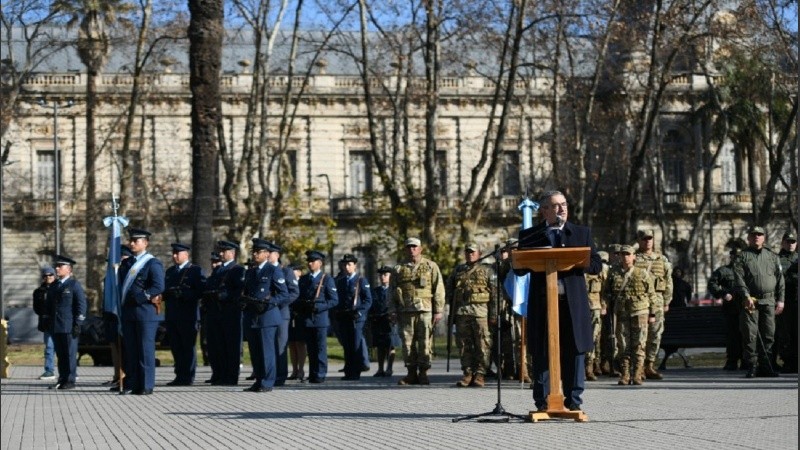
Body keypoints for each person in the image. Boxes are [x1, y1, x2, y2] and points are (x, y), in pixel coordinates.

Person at [516, 190, 602, 412]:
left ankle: (573, 402)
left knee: (574, 351)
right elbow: (519, 270)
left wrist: (576, 260)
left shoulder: (581, 233)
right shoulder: (531, 235)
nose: (562, 208)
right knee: (543, 351)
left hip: (572, 304)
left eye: (564, 204)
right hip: (543, 305)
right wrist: (513, 259)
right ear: (544, 211)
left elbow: (596, 265)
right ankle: (543, 402)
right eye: (555, 206)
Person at [390, 237, 446, 386]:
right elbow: (392, 291)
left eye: (415, 247)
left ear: (420, 249)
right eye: (409, 247)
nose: (412, 249)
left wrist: (438, 310)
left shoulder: (430, 266)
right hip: (405, 311)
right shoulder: (398, 269)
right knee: (407, 344)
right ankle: (411, 373)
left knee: (424, 342)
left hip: (425, 310)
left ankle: (423, 373)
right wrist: (392, 310)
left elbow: (438, 288)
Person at [733, 225, 785, 378]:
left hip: (769, 300)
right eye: (753, 234)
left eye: (760, 234)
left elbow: (780, 280)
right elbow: (739, 278)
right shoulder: (742, 256)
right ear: (748, 238)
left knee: (769, 334)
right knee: (750, 334)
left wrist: (781, 300)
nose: (757, 237)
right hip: (751, 302)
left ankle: (766, 365)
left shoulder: (772, 256)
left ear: (764, 238)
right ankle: (752, 366)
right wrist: (746, 295)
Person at [118, 228, 165, 395]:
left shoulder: (153, 263)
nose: (131, 243)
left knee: (145, 350)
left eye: (135, 241)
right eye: (131, 240)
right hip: (129, 313)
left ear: (145, 243)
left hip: (145, 313)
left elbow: (159, 286)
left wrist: (143, 296)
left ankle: (146, 385)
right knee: (132, 350)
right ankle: (133, 383)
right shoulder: (126, 263)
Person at [241, 239, 289, 392]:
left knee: (267, 352)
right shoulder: (250, 272)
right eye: (254, 251)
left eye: (258, 251)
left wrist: (269, 302)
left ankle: (268, 382)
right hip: (252, 316)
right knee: (255, 352)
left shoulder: (273, 270)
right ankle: (259, 380)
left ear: (267, 254)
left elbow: (284, 294)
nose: (254, 254)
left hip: (267, 316)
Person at [604, 245, 656, 385]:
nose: (625, 257)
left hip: (640, 311)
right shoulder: (613, 273)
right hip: (621, 313)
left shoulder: (642, 273)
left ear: (634, 256)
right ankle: (625, 374)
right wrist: (608, 304)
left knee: (639, 343)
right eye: (622, 254)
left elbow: (651, 294)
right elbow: (606, 292)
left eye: (628, 254)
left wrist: (652, 314)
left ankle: (638, 374)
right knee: (623, 344)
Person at [447, 243, 496, 388]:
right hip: (462, 313)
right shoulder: (458, 271)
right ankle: (468, 373)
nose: (470, 254)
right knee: (464, 345)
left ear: (479, 254)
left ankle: (480, 374)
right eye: (467, 252)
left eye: (473, 252)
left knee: (483, 344)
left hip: (481, 313)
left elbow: (495, 294)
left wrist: (493, 314)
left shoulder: (488, 271)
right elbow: (450, 291)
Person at [203, 240, 245, 385]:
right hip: (216, 312)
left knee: (231, 346)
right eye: (220, 251)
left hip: (230, 313)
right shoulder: (218, 270)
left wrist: (225, 295)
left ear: (232, 253)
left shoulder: (237, 270)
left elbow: (239, 291)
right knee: (217, 345)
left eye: (224, 251)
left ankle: (231, 376)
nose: (220, 254)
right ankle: (219, 374)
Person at [163, 243, 206, 386]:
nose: (175, 256)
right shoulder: (170, 272)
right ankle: (179, 375)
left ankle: (188, 376)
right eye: (173, 253)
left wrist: (184, 294)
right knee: (176, 347)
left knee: (187, 347)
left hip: (188, 315)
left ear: (186, 255)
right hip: (172, 315)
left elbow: (200, 291)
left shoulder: (194, 271)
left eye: (178, 253)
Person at [633, 228, 672, 381]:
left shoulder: (661, 260)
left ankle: (650, 364)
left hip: (657, 302)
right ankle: (639, 367)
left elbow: (668, 282)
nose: (647, 241)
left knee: (655, 335)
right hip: (640, 302)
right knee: (640, 335)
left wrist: (667, 301)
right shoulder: (635, 259)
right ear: (639, 241)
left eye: (650, 238)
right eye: (644, 239)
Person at [296, 250, 338, 383]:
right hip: (307, 318)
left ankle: (320, 373)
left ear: (319, 263)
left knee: (320, 348)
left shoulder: (327, 279)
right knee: (311, 349)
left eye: (312, 261)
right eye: (308, 261)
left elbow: (334, 300)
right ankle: (313, 373)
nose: (309, 263)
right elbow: (299, 297)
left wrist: (319, 307)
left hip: (320, 319)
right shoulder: (304, 279)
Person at [46, 255, 87, 390]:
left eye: (60, 266)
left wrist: (78, 323)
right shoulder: (54, 286)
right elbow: (49, 306)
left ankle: (70, 379)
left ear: (69, 269)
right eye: (56, 266)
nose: (57, 268)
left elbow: (81, 305)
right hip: (56, 325)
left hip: (69, 325)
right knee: (61, 354)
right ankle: (62, 378)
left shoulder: (74, 285)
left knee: (69, 354)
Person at [334, 254, 373, 381]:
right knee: (347, 345)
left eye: (349, 264)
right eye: (345, 264)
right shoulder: (341, 281)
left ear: (355, 266)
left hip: (356, 317)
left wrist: (360, 312)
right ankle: (348, 371)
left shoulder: (361, 280)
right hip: (345, 317)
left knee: (356, 344)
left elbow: (368, 300)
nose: (347, 267)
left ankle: (355, 372)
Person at [266, 242, 299, 386]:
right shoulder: (263, 271)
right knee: (268, 345)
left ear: (277, 255)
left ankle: (280, 376)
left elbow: (294, 292)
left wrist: (277, 303)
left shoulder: (286, 272)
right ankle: (269, 374)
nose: (268, 255)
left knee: (280, 346)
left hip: (280, 313)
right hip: (266, 313)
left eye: (270, 253)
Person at [708, 248, 745, 370]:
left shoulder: (747, 270)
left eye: (739, 256)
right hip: (731, 309)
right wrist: (722, 293)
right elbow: (712, 283)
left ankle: (747, 361)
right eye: (735, 255)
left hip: (746, 308)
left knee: (747, 335)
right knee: (733, 336)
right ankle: (732, 361)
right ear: (731, 256)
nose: (737, 258)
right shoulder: (724, 271)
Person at [369, 266, 400, 377]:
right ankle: (380, 369)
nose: (382, 277)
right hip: (378, 320)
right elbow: (371, 304)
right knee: (380, 346)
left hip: (390, 320)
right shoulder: (375, 291)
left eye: (385, 275)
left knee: (391, 345)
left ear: (390, 276)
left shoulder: (395, 290)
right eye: (381, 275)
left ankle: (389, 368)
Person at [774, 231, 797, 373]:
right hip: (784, 301)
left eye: (793, 241)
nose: (791, 244)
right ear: (783, 242)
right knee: (784, 333)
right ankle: (788, 361)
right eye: (788, 241)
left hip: (796, 301)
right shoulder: (776, 259)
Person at [584, 250, 608, 381]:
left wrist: (604, 305)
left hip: (595, 307)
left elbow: (605, 289)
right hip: (580, 308)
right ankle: (580, 368)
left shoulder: (599, 269)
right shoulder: (577, 266)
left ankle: (589, 367)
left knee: (593, 338)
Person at [32, 266, 57, 380]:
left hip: (60, 322)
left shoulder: (60, 287)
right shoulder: (38, 291)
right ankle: (49, 370)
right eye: (46, 275)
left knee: (64, 349)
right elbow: (36, 308)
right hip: (47, 323)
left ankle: (68, 372)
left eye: (50, 275)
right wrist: (45, 314)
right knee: (49, 348)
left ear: (54, 275)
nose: (48, 277)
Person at [287, 263, 308, 381]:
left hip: (300, 316)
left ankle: (301, 369)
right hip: (290, 316)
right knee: (291, 344)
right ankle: (294, 369)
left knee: (300, 343)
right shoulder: (288, 282)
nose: (292, 273)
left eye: (294, 270)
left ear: (299, 272)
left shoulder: (303, 282)